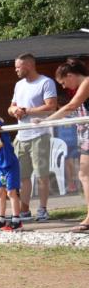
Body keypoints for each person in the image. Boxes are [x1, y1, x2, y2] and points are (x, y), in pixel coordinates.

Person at [38, 58, 89, 232]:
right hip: (85, 136)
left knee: (84, 175)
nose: (64, 87)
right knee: (85, 175)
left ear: (70, 75)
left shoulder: (87, 82)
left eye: (63, 82)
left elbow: (72, 106)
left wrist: (47, 121)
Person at [9, 53, 57, 221]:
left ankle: (43, 209)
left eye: (18, 67)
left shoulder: (45, 82)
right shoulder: (18, 85)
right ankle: (24, 210)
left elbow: (51, 106)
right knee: (22, 177)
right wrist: (14, 110)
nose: (15, 70)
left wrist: (27, 111)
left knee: (41, 175)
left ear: (28, 66)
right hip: (21, 136)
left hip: (40, 135)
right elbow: (12, 107)